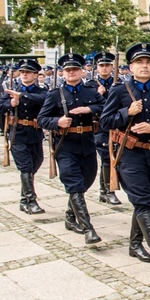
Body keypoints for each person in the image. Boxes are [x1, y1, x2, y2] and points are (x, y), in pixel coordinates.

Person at [100, 44, 150, 271]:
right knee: (143, 201)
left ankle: (135, 244)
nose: (144, 66)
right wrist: (127, 113)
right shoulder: (119, 90)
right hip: (130, 155)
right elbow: (106, 122)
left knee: (146, 202)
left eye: (148, 63)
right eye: (139, 63)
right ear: (131, 66)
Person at [37, 53, 104, 245]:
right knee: (74, 183)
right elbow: (42, 119)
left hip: (87, 143)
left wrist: (89, 110)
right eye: (68, 70)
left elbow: (105, 107)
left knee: (86, 181)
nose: (72, 72)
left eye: (75, 69)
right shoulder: (55, 94)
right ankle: (88, 228)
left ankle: (69, 215)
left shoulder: (90, 91)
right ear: (63, 73)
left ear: (81, 71)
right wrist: (57, 121)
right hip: (65, 145)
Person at [0, 59, 47, 214]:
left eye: (28, 72)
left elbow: (44, 100)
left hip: (35, 134)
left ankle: (23, 201)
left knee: (35, 165)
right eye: (22, 72)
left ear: (36, 75)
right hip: (18, 134)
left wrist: (22, 96)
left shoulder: (40, 91)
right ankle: (31, 201)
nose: (24, 75)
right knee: (25, 167)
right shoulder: (11, 90)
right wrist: (10, 104)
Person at [90, 52, 122, 206]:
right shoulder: (90, 85)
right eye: (102, 65)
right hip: (100, 127)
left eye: (107, 65)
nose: (105, 68)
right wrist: (98, 95)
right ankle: (108, 191)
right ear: (97, 68)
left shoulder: (119, 83)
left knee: (114, 158)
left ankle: (105, 190)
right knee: (107, 158)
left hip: (117, 126)